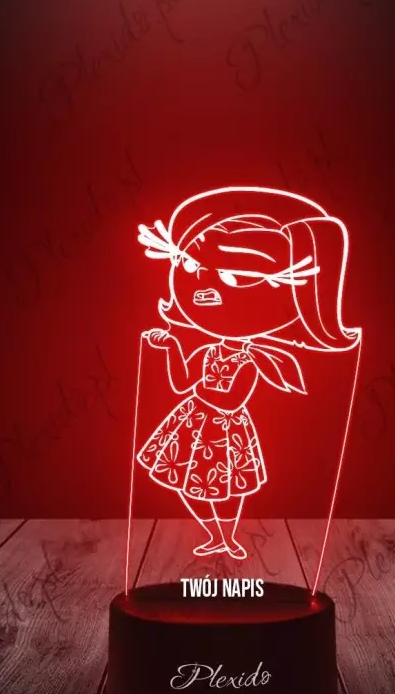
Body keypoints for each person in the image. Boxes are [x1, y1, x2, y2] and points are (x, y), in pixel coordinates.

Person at [136, 186, 361, 559]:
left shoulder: (254, 359)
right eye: (190, 266)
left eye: (233, 277)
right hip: (193, 422)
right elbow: (181, 383)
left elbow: (230, 400)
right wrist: (173, 345)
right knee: (184, 484)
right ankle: (216, 535)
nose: (205, 288)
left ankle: (228, 536)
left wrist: (200, 395)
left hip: (224, 429)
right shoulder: (208, 350)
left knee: (228, 487)